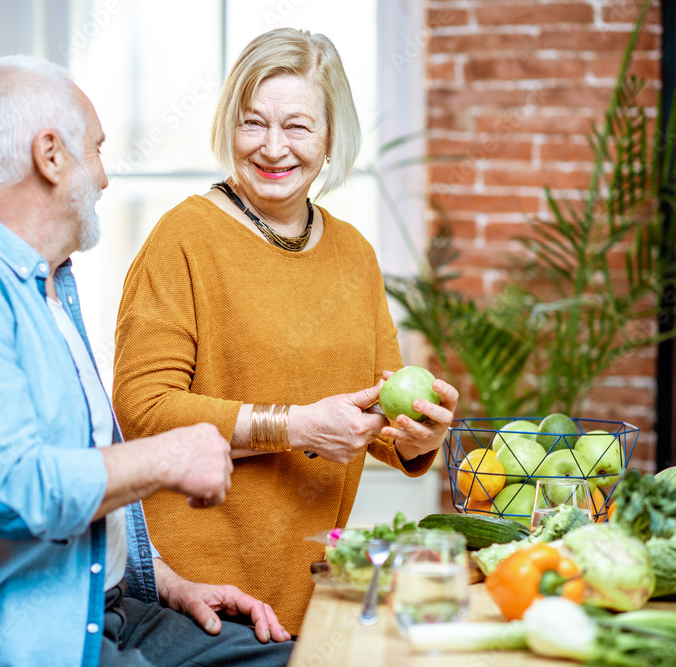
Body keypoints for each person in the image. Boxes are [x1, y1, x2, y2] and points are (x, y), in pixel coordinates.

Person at [0, 55, 293, 666]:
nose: (104, 179)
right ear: (50, 156)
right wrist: (169, 454)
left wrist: (164, 582)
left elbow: (72, 500)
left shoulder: (46, 291)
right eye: (97, 150)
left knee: (307, 655)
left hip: (101, 617)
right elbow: (3, 490)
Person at [112, 28, 459, 635]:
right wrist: (293, 425)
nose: (273, 148)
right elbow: (143, 411)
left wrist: (417, 436)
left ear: (330, 137)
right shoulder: (183, 239)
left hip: (312, 597)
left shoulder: (354, 254)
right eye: (253, 123)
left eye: (297, 126)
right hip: (195, 599)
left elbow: (376, 420)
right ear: (229, 128)